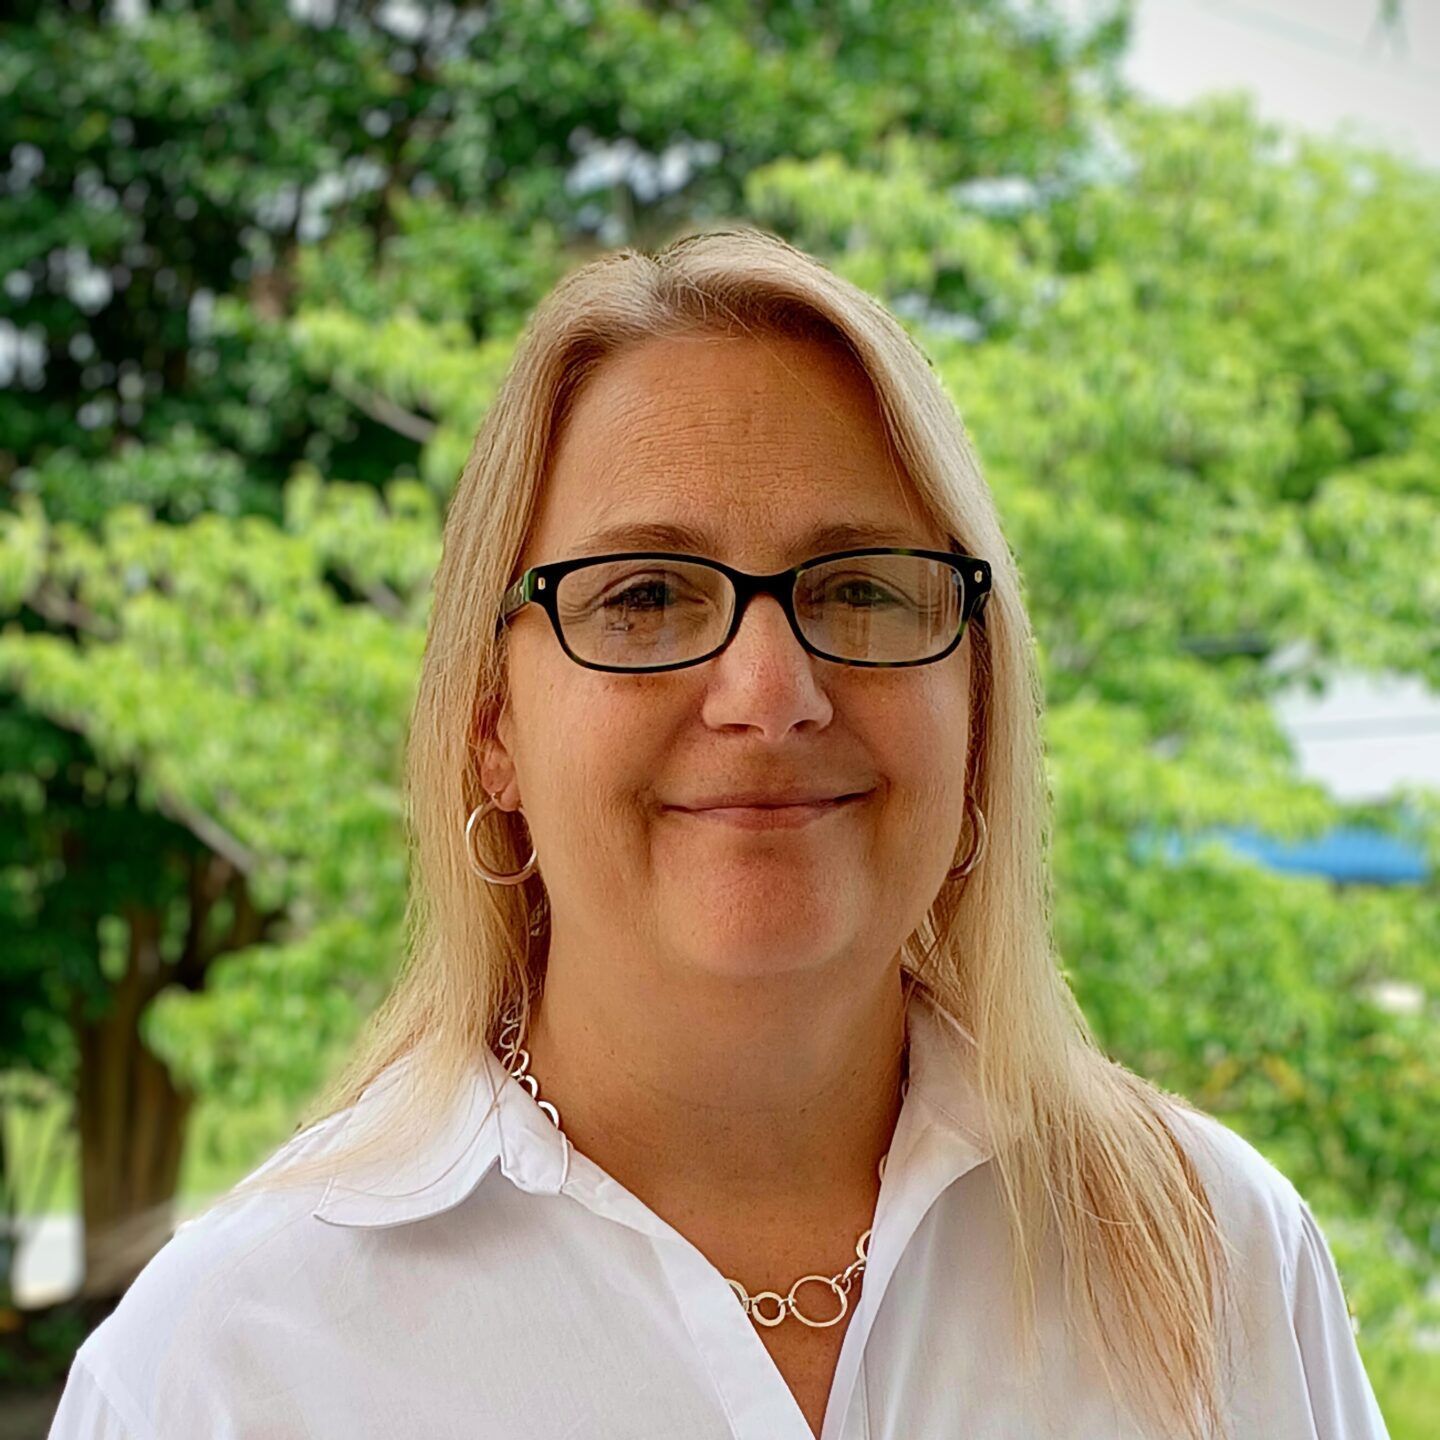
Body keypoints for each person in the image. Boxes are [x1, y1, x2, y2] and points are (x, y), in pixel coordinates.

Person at [48, 228, 1389, 1440]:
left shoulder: (1216, 1255)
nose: (769, 695)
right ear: (492, 725)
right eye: (643, 596)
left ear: (977, 705)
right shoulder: (223, 1369)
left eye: (860, 586)